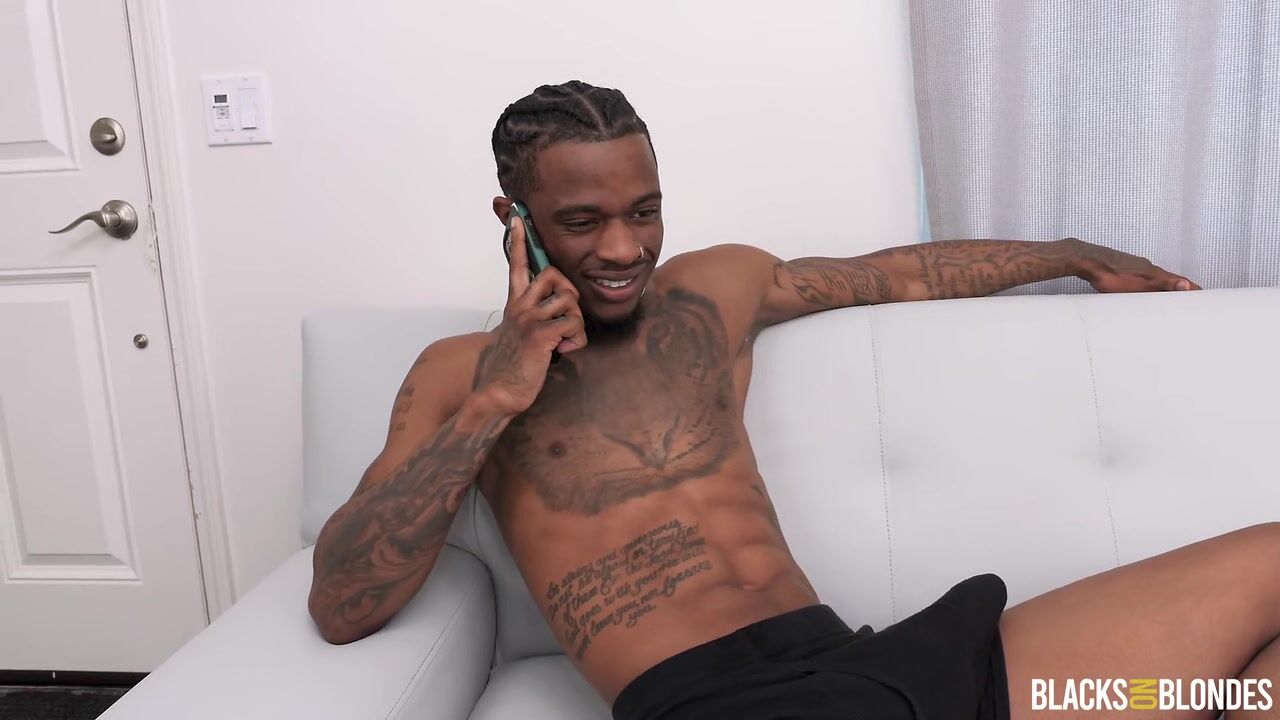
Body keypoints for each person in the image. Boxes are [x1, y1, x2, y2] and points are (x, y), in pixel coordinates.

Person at [308, 81, 1278, 720]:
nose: (622, 248)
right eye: (581, 221)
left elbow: (895, 275)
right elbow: (342, 604)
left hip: (885, 673)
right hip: (717, 704)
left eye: (643, 211)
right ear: (513, 217)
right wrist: (495, 400)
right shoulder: (458, 374)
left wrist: (1072, 255)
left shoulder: (711, 290)